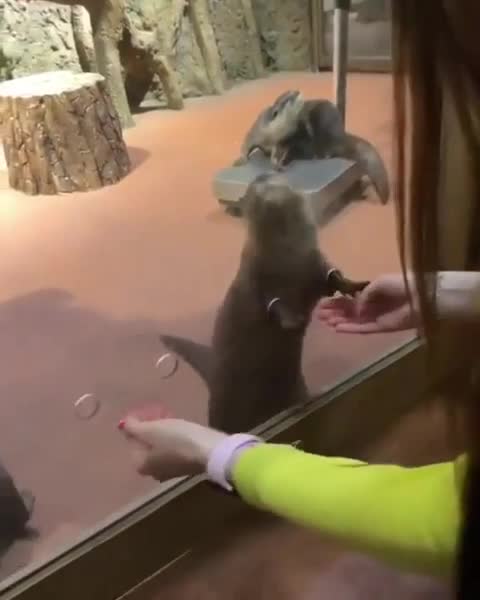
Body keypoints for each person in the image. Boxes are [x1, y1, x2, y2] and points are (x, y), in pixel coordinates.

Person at [120, 3, 480, 597]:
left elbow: (442, 521)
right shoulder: (257, 262)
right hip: (249, 378)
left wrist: (215, 453)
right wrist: (449, 291)